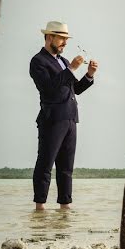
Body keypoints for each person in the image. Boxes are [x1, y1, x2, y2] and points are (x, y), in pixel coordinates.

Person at [29, 20, 98, 210]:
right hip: (51, 119)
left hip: (70, 118)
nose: (65, 43)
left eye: (66, 39)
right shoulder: (38, 61)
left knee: (66, 168)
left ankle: (65, 207)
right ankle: (39, 207)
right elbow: (49, 89)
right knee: (45, 164)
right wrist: (71, 69)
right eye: (61, 38)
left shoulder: (64, 61)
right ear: (49, 37)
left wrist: (89, 75)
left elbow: (74, 89)